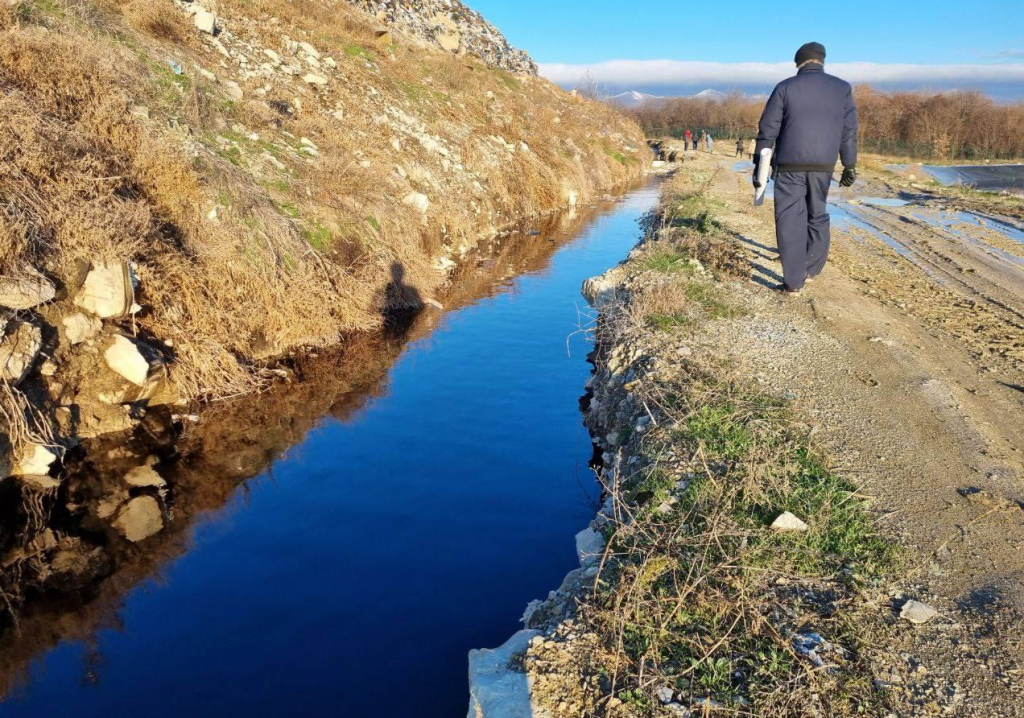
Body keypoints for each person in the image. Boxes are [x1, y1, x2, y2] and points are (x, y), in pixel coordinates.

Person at [753, 42, 857, 295]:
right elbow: (849, 131)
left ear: (798, 61)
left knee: (790, 218)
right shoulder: (842, 88)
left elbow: (768, 129)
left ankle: (793, 281)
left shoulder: (785, 87)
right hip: (824, 165)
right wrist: (849, 165)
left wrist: (759, 166)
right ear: (822, 60)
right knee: (817, 214)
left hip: (789, 165)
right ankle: (811, 268)